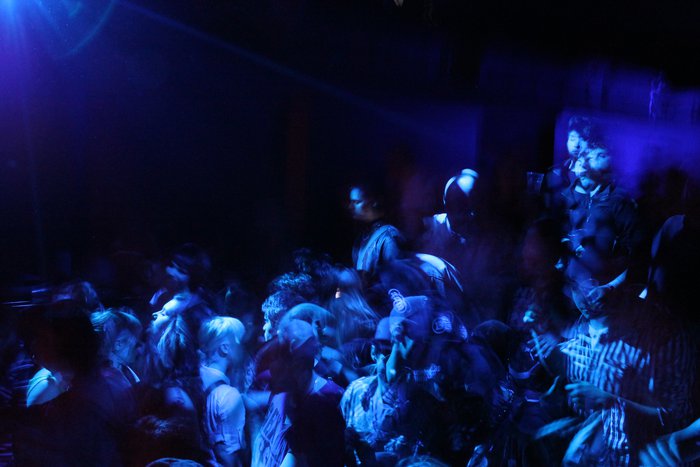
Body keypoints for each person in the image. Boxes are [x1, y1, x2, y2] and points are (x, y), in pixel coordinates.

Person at [553, 280, 694, 466]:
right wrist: (575, 426)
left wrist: (611, 400)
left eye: (594, 284)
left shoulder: (662, 335)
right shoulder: (576, 336)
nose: (586, 297)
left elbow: (677, 418)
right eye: (576, 286)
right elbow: (595, 412)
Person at [252, 318, 345, 467]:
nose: (272, 373)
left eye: (279, 359)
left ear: (296, 364)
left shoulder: (325, 403)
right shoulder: (282, 394)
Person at [561, 145, 640, 311]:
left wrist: (610, 287)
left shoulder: (620, 202)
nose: (582, 167)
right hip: (571, 293)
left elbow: (637, 256)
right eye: (584, 160)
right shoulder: (579, 197)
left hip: (600, 300)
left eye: (595, 157)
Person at [199, 316, 247, 467]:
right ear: (225, 347)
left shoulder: (195, 376)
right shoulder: (228, 395)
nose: (244, 349)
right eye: (241, 342)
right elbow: (227, 456)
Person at [348, 183, 404, 285]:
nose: (350, 207)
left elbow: (395, 281)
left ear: (373, 202)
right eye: (351, 202)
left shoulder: (388, 236)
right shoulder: (361, 237)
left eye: (357, 202)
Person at [91, 307, 143, 386]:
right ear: (118, 344)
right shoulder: (106, 382)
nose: (140, 350)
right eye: (136, 344)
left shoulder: (127, 372)